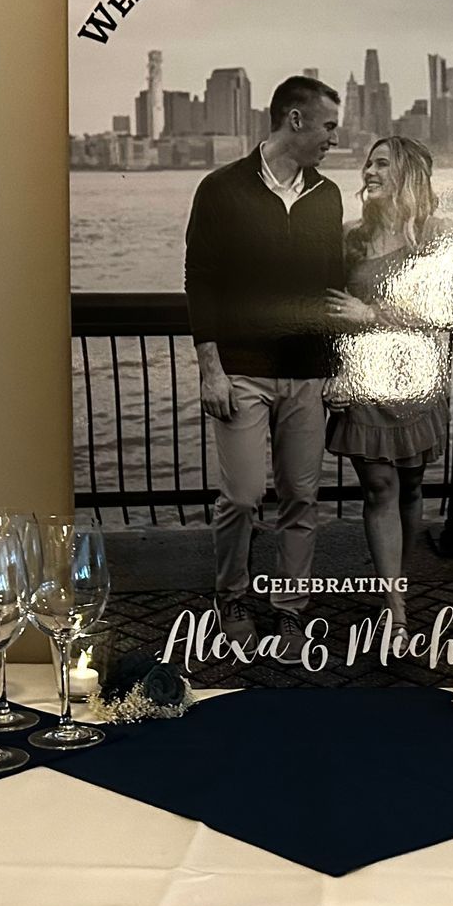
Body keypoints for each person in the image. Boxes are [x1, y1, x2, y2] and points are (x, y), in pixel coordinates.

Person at [183, 75, 344, 650]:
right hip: (241, 371)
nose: (334, 138)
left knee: (302, 497)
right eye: (328, 126)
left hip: (308, 374)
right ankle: (230, 596)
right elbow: (200, 281)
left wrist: (338, 368)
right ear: (295, 120)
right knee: (244, 495)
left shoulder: (327, 196)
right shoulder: (221, 189)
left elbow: (331, 287)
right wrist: (211, 369)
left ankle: (291, 609)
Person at [323, 136, 453, 635]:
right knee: (380, 486)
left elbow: (443, 309)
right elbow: (329, 312)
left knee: (412, 483)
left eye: (382, 164)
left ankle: (399, 578)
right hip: (363, 379)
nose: (369, 172)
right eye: (368, 164)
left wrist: (372, 314)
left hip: (415, 378)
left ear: (406, 176)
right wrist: (335, 369)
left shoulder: (437, 234)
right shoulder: (349, 239)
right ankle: (394, 607)